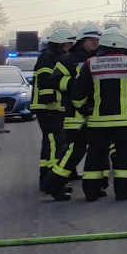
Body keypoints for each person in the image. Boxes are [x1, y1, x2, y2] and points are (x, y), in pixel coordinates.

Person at [66, 31, 127, 202]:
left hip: (98, 122)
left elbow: (77, 95)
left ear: (102, 45)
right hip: (124, 121)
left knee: (95, 157)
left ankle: (92, 192)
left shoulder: (89, 64)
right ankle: (123, 193)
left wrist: (85, 110)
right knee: (123, 159)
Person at [47, 29, 101, 201]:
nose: (95, 43)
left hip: (94, 112)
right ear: (82, 41)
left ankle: (96, 186)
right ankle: (54, 183)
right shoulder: (68, 59)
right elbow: (55, 80)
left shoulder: (97, 58)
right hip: (74, 114)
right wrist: (77, 84)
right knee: (74, 152)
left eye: (97, 40)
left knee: (96, 150)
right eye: (91, 40)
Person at [31, 29, 77, 195]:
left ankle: (50, 177)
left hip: (54, 107)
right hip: (48, 108)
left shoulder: (53, 56)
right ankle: (50, 179)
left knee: (53, 142)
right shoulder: (48, 56)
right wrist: (50, 101)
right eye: (69, 43)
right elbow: (45, 81)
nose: (71, 47)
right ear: (62, 43)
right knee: (53, 143)